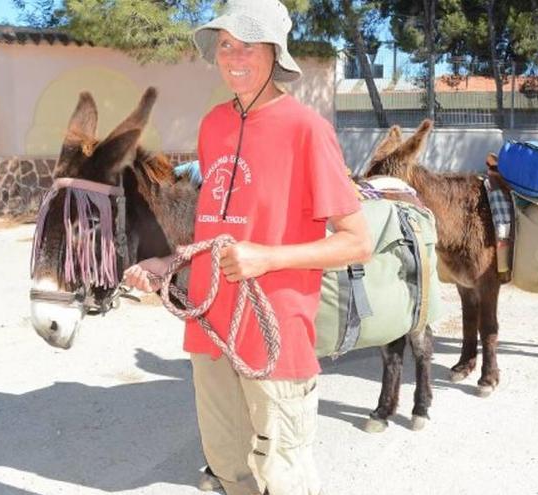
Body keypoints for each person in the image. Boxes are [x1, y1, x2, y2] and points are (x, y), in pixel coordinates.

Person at [122, 1, 371, 493]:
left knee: (282, 473)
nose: (233, 56)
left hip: (275, 334)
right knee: (229, 467)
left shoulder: (307, 130)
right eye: (226, 45)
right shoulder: (214, 124)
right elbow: (214, 230)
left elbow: (358, 241)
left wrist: (269, 257)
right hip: (210, 329)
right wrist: (167, 263)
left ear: (274, 52)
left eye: (247, 45)